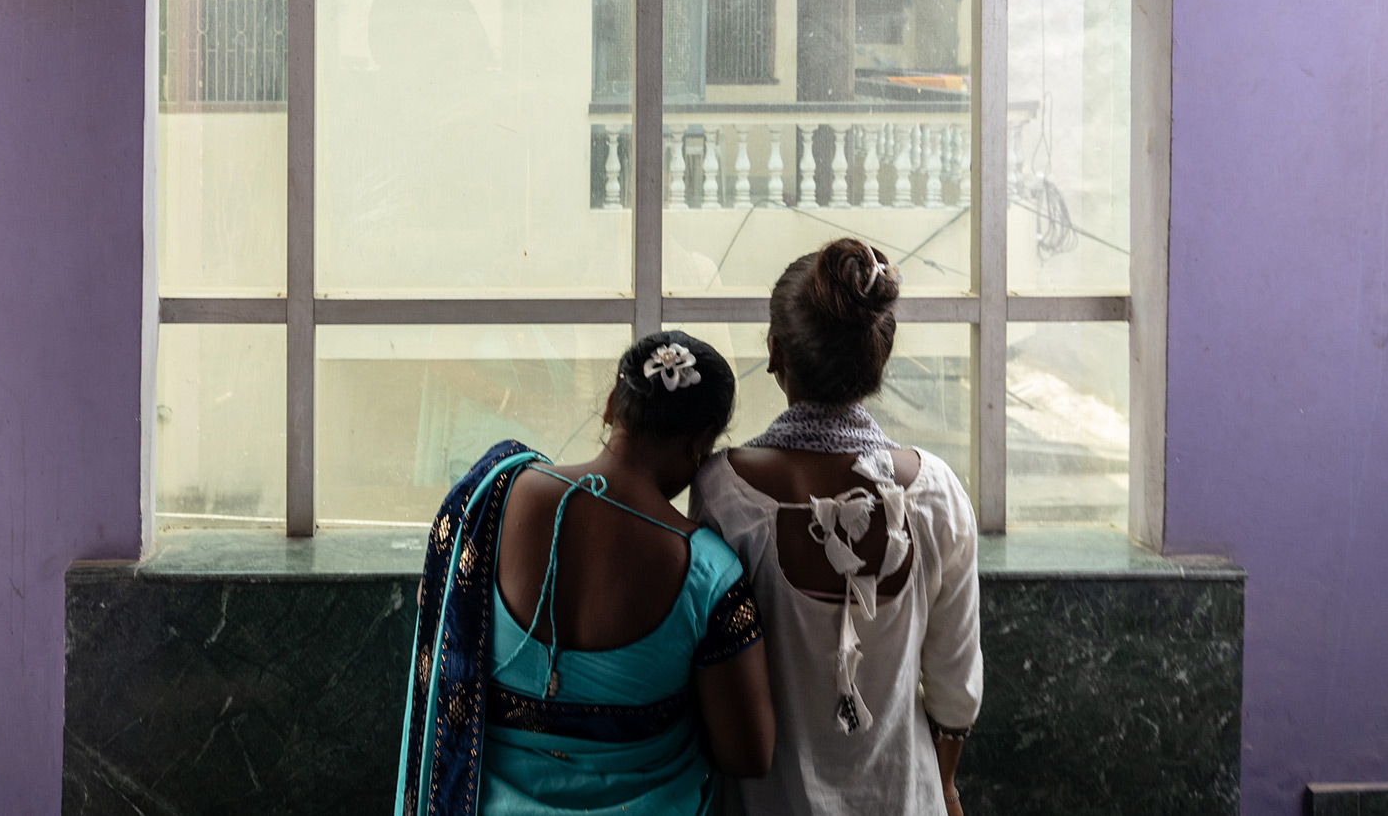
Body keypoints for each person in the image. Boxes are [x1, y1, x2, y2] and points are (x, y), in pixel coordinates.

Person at [395, 331, 776, 816]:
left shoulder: (495, 501)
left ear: (612, 405)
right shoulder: (707, 572)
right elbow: (748, 753)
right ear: (700, 445)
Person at [692, 239, 981, 816]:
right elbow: (955, 691)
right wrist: (944, 787)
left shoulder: (723, 491)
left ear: (776, 353)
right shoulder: (937, 493)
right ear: (879, 354)